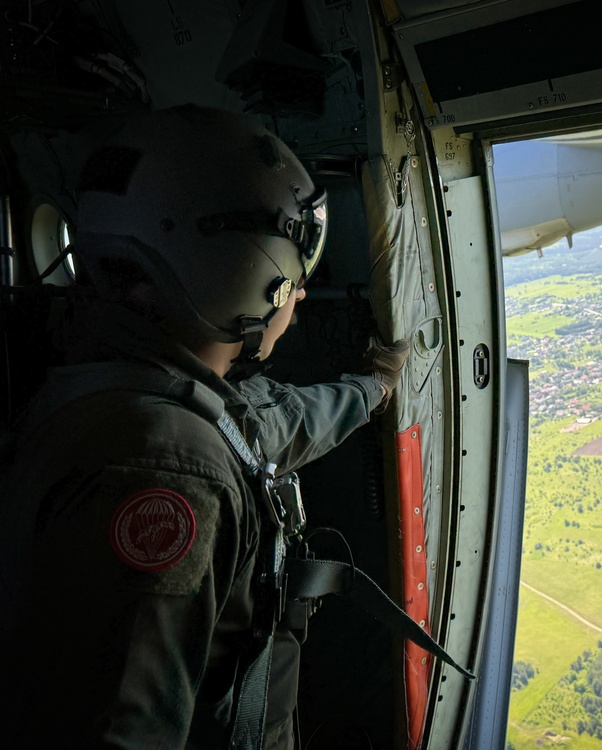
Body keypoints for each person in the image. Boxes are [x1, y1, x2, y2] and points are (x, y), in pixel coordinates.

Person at [0, 105, 409, 749]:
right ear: (234, 261)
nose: (300, 287)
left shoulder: (135, 387)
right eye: (298, 251)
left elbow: (273, 425)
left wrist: (372, 388)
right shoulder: (164, 468)